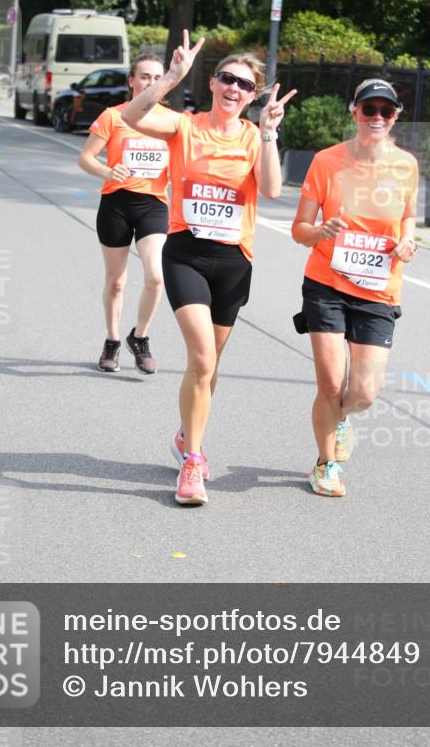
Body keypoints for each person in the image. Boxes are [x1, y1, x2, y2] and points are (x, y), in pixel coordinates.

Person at [122, 31, 296, 506]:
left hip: (233, 262)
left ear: (253, 95)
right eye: (226, 79)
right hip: (186, 253)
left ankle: (185, 434)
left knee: (210, 365)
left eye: (243, 84)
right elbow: (131, 115)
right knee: (201, 358)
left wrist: (269, 132)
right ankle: (193, 462)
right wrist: (173, 78)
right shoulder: (185, 125)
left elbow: (276, 189)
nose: (233, 89)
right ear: (214, 83)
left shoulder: (252, 137)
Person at [291, 78, 419, 498]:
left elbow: (408, 217)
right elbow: (299, 229)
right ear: (354, 112)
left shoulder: (406, 165)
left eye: (386, 110)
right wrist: (321, 230)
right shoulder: (327, 162)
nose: (377, 117)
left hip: (379, 290)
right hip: (326, 283)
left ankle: (340, 418)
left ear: (396, 115)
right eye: (369, 110)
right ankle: (325, 464)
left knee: (362, 394)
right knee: (331, 384)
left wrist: (408, 241)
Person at [77, 55, 171, 375]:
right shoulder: (112, 116)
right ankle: (112, 341)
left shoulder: (171, 121)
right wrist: (107, 169)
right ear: (132, 81)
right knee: (116, 282)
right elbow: (85, 158)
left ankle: (139, 337)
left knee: (156, 276)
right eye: (144, 76)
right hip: (116, 203)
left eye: (157, 77)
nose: (151, 82)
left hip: (153, 204)